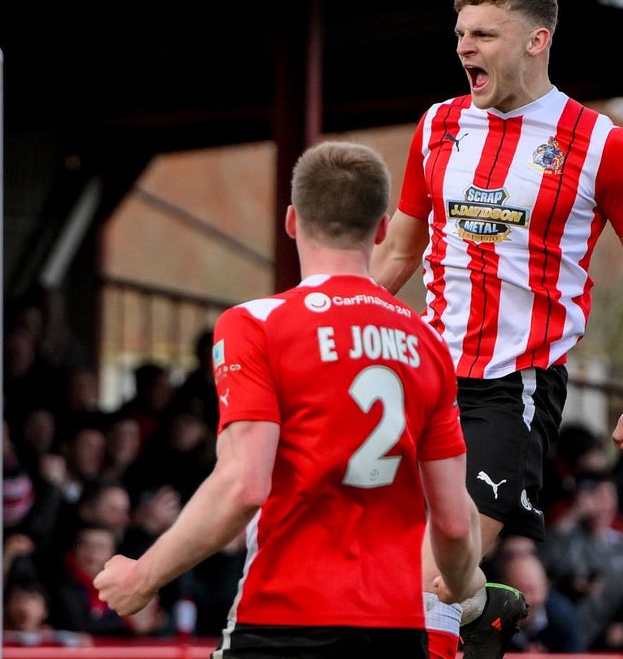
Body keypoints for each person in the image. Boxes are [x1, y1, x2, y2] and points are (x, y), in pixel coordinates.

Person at [371, 0, 623, 659]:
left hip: (513, 387)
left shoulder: (602, 145)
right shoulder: (438, 126)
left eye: (484, 33)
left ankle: (467, 606)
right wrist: (322, 324)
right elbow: (397, 252)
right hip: (425, 378)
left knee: (426, 588)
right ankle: (483, 609)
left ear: (536, 40)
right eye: (460, 34)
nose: (466, 48)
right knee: (383, 582)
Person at [94, 142, 483, 659]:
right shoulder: (427, 344)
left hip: (286, 617)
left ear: (292, 221)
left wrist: (144, 575)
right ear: (383, 228)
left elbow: (243, 484)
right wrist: (460, 583)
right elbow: (455, 522)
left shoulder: (256, 325)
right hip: (395, 628)